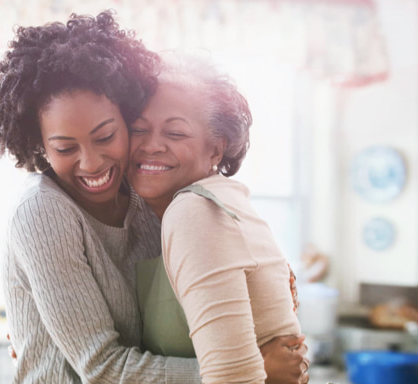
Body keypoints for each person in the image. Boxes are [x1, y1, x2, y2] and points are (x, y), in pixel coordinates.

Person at [0, 11, 308, 383]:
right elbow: (102, 368)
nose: (91, 163)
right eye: (65, 148)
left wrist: (266, 279)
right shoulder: (41, 210)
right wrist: (251, 370)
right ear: (40, 145)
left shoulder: (150, 198)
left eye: (106, 136)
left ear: (126, 119)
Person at [126, 53, 304, 384]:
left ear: (215, 150)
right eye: (138, 129)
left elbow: (232, 379)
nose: (151, 145)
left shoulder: (195, 211)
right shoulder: (210, 200)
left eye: (175, 133)